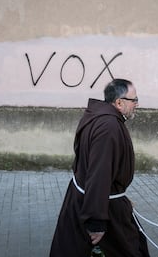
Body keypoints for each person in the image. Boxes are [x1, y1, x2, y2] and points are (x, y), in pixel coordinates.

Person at [49, 78, 150, 257]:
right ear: (119, 102)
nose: (137, 104)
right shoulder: (109, 127)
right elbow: (99, 175)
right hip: (99, 205)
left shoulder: (98, 116)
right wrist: (96, 220)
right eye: (134, 100)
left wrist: (120, 196)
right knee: (128, 248)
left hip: (93, 199)